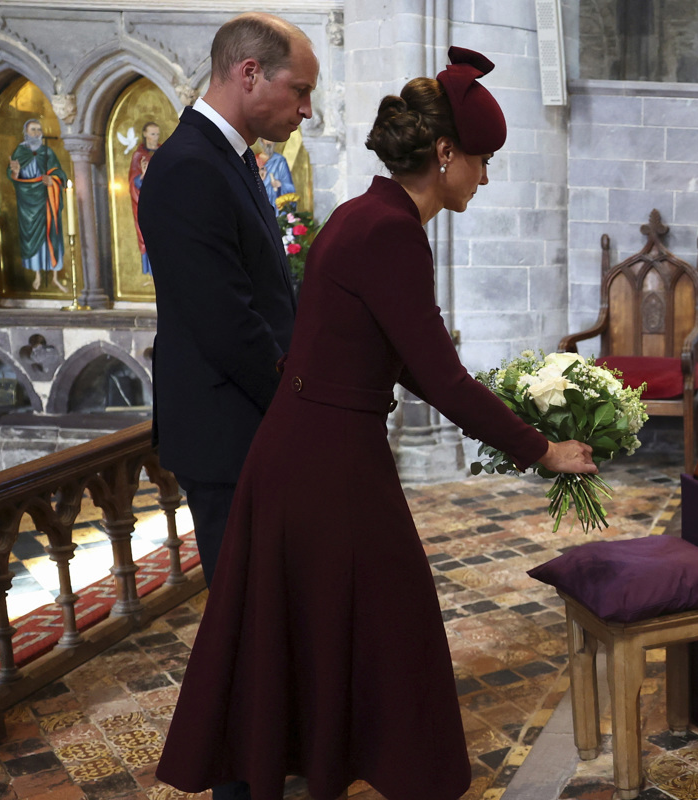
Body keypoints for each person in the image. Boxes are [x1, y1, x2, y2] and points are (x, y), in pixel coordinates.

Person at [154, 47, 597, 800]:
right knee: (391, 619)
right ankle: (406, 776)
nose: (485, 178)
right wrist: (542, 449)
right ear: (446, 153)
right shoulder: (388, 231)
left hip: (317, 451)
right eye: (483, 161)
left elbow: (394, 355)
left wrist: (519, 412)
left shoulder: (369, 215)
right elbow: (437, 375)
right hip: (325, 462)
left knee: (341, 625)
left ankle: (333, 768)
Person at [139, 12, 317, 597]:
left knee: (275, 597)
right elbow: (228, 322)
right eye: (300, 91)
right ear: (249, 73)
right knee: (249, 608)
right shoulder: (190, 165)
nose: (306, 110)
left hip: (247, 420)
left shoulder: (229, 157)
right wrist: (299, 405)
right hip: (228, 428)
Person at [7, 118, 67, 291]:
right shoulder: (20, 151)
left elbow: (59, 173)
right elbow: (11, 174)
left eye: (39, 130)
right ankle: (37, 276)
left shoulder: (47, 152)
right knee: (33, 238)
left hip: (47, 201)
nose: (36, 133)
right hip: (28, 204)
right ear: (26, 132)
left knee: (52, 234)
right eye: (33, 130)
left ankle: (55, 277)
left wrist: (53, 181)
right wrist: (16, 172)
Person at [128, 121, 160, 275]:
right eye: (153, 134)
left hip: (162, 204)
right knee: (146, 235)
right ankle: (149, 273)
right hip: (144, 204)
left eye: (157, 134)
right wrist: (143, 175)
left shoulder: (163, 152)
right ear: (145, 134)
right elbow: (133, 181)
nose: (156, 137)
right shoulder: (139, 156)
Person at [256, 138, 295, 208]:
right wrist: (260, 179)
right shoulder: (254, 160)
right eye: (266, 139)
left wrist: (280, 185)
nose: (268, 142)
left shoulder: (280, 161)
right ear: (261, 141)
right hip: (259, 203)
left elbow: (290, 187)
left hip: (276, 204)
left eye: (271, 139)